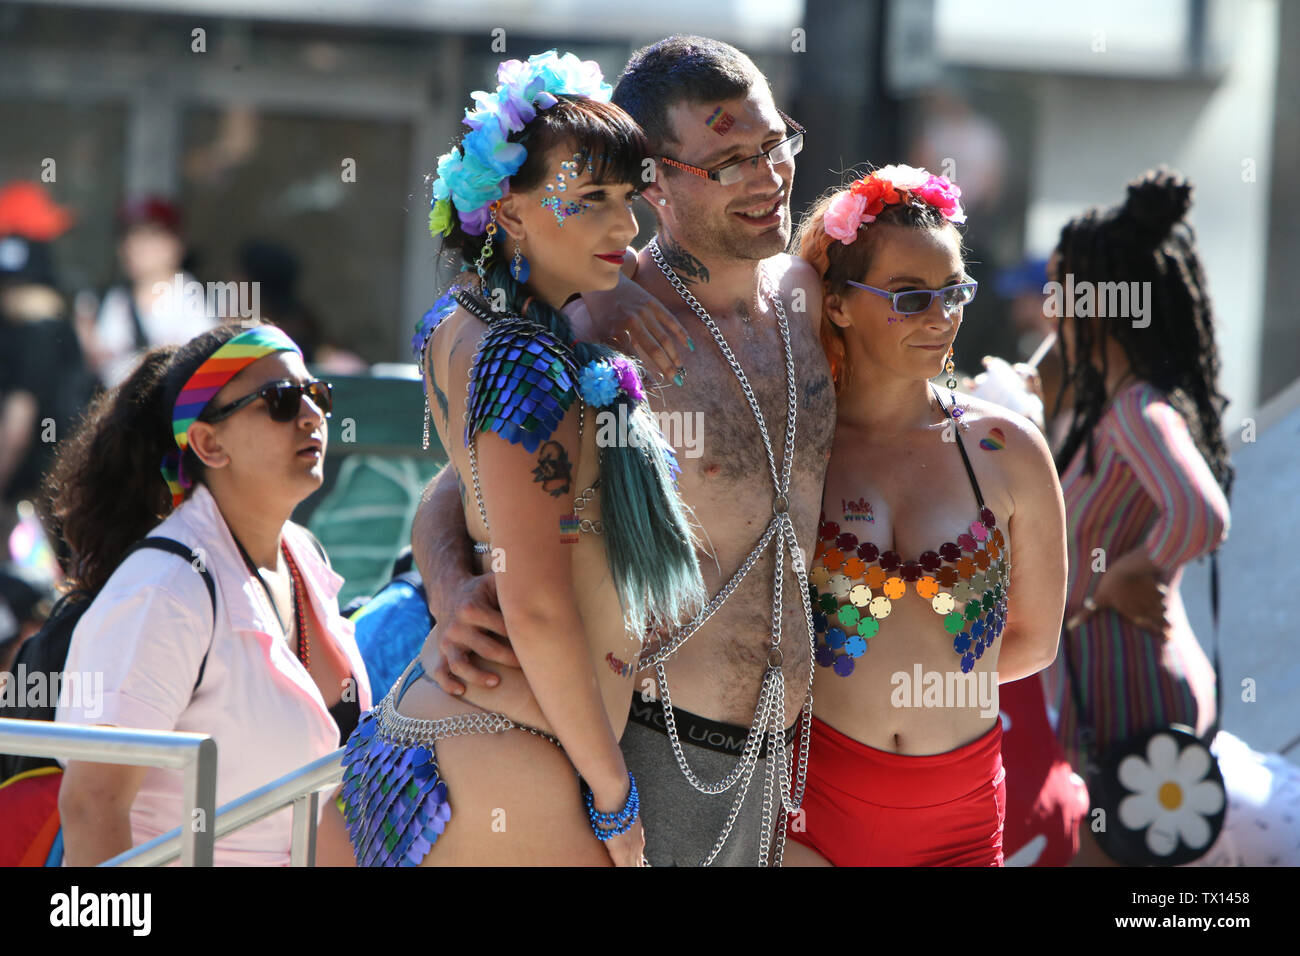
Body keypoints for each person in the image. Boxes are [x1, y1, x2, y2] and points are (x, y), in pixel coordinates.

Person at [413, 35, 835, 866]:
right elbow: (460, 485)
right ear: (660, 178)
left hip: (784, 752)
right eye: (728, 160)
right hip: (641, 738)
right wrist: (451, 582)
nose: (767, 176)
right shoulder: (596, 322)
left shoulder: (806, 295)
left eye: (774, 144)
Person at [320, 50, 706, 868]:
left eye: (628, 201)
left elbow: (466, 490)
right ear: (506, 212)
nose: (624, 228)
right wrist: (613, 799)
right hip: (509, 768)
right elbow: (533, 604)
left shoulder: (463, 321)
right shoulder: (527, 359)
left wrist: (451, 581)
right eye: (591, 200)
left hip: (448, 743)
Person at [783, 165, 1066, 866]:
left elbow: (1035, 640)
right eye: (911, 298)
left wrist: (933, 679)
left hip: (960, 818)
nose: (941, 317)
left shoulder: (1008, 449)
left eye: (953, 293)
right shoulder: (792, 444)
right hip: (809, 804)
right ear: (839, 303)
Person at [51, 323, 371, 865]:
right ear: (207, 443)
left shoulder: (303, 554)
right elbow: (91, 806)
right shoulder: (164, 589)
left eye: (317, 394)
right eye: (280, 400)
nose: (311, 414)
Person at [1042, 169, 1231, 866]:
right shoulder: (1106, 408)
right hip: (1113, 699)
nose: (1046, 309)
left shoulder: (1137, 409)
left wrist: (1130, 571)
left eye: (1058, 290)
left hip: (1133, 704)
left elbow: (1200, 514)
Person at [82, 197, 217, 389]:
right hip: (113, 412)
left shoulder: (203, 298)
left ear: (176, 243)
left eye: (151, 235)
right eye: (131, 235)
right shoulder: (102, 300)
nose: (137, 246)